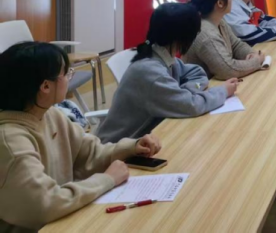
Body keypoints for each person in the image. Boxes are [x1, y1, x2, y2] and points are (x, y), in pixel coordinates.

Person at [0, 42, 162, 231]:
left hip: (63, 221)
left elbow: (90, 153)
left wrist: (132, 147)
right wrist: (107, 179)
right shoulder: (10, 141)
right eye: (66, 73)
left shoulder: (48, 113)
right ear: (45, 86)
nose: (70, 77)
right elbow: (44, 205)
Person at [98, 3, 238, 143]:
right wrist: (223, 91)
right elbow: (192, 105)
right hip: (119, 148)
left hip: (146, 138)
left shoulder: (161, 54)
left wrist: (186, 91)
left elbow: (197, 74)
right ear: (184, 37)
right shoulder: (151, 72)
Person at [182, 0, 266, 80]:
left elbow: (236, 45)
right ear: (220, 3)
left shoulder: (219, 21)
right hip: (202, 87)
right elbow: (227, 70)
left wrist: (251, 54)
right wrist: (256, 61)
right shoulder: (206, 34)